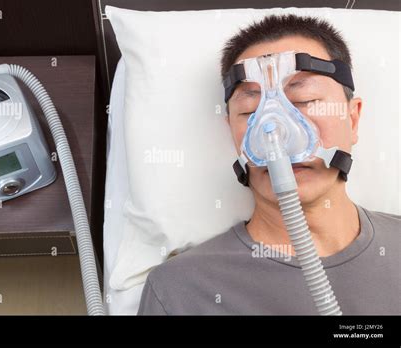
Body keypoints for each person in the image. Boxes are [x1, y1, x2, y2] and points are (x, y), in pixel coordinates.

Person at [138, 14, 400, 315]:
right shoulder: (179, 291)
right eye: (251, 110)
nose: (276, 131)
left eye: (304, 100)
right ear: (233, 133)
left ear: (352, 119)